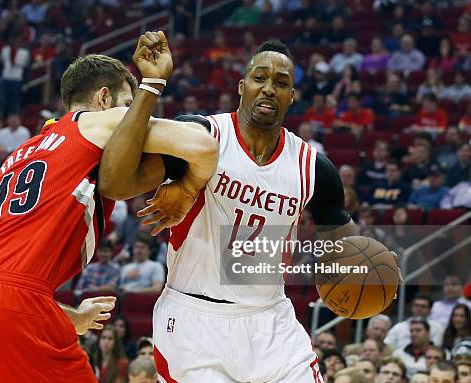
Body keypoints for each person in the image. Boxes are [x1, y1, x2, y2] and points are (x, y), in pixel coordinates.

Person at [104, 38, 402, 382]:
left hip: (270, 319)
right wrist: (152, 85)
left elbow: (340, 249)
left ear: (293, 95)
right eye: (260, 78)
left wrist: (375, 263)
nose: (269, 89)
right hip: (194, 319)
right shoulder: (202, 135)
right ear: (242, 86)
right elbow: (116, 183)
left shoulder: (313, 168)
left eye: (281, 82)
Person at [0, 32, 218, 383]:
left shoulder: (19, 155)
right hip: (14, 304)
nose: (132, 116)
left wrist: (69, 316)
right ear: (104, 98)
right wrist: (184, 189)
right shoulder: (97, 121)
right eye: (128, 106)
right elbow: (201, 144)